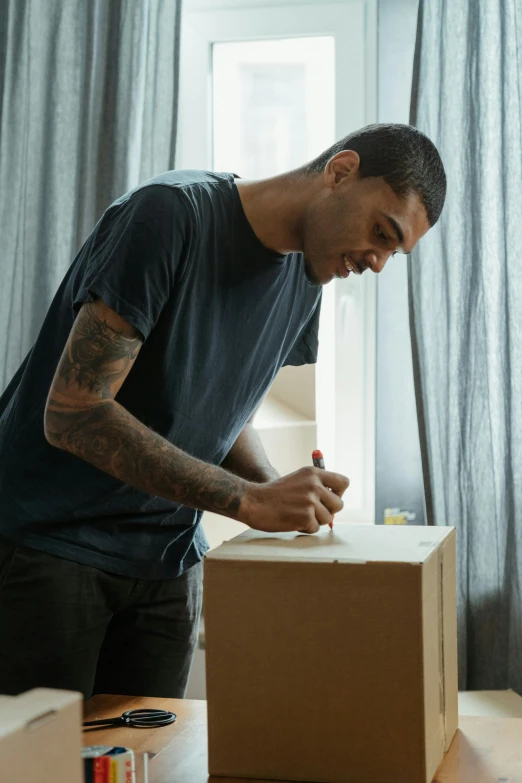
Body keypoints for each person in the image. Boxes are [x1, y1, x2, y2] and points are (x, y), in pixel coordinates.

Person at [0, 123, 446, 699]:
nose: (378, 262)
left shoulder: (309, 274)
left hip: (168, 561)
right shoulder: (169, 216)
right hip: (51, 549)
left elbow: (220, 405)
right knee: (46, 768)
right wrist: (248, 501)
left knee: (151, 766)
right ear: (340, 172)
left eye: (394, 251)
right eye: (382, 233)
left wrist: (272, 485)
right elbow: (74, 412)